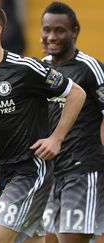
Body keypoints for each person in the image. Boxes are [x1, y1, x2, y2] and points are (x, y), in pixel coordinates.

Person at [0, 3, 86, 243]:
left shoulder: (25, 68)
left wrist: (56, 138)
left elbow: (76, 94)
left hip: (30, 169)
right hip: (0, 172)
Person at [39, 2, 104, 243]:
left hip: (83, 169)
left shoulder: (90, 68)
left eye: (59, 30)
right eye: (47, 30)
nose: (51, 36)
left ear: (74, 31)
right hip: (49, 173)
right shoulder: (40, 68)